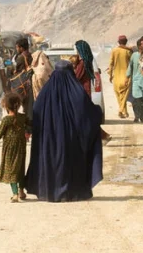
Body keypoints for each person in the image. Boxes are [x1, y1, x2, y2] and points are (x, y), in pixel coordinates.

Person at [25, 60, 104, 202]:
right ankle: (70, 191)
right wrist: (97, 112)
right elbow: (89, 115)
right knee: (70, 162)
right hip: (71, 141)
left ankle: (49, 191)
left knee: (52, 161)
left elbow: (35, 112)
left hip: (49, 141)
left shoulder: (45, 93)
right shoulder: (78, 93)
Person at [0, 94, 30, 202]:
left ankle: (15, 194)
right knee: (20, 168)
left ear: (6, 106)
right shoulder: (22, 117)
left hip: (9, 149)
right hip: (21, 147)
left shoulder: (6, 120)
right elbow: (31, 124)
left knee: (11, 169)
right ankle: (22, 192)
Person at [108, 35, 133, 119]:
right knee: (124, 95)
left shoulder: (114, 51)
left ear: (118, 42)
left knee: (119, 95)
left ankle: (121, 110)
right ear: (126, 42)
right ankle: (122, 111)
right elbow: (132, 63)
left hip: (116, 77)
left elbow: (111, 64)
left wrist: (110, 75)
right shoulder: (129, 52)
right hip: (126, 76)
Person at [128, 37, 143, 123]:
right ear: (138, 46)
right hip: (136, 81)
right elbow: (130, 67)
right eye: (142, 45)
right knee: (136, 100)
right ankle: (136, 117)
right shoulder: (134, 55)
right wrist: (127, 77)